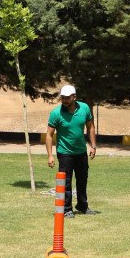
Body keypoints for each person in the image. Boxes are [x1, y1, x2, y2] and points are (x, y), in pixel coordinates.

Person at [45, 84, 96, 218]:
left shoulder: (84, 108)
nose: (64, 100)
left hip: (81, 152)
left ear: (74, 97)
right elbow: (49, 135)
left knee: (82, 180)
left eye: (67, 98)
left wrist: (93, 145)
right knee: (66, 182)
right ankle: (67, 209)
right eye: (62, 98)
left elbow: (90, 127)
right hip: (65, 152)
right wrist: (50, 156)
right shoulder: (56, 113)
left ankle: (82, 206)